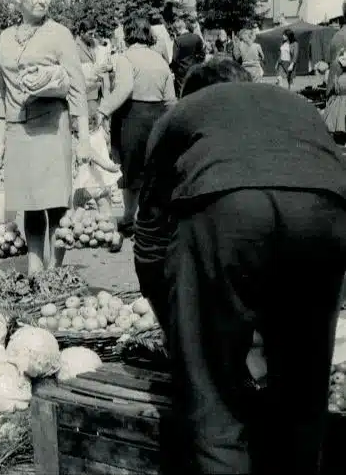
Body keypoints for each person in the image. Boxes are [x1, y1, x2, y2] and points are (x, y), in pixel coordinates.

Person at [134, 59, 346, 475]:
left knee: (215, 403)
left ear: (190, 94)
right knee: (303, 399)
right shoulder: (296, 104)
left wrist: (178, 326)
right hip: (328, 215)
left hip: (228, 208)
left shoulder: (179, 115)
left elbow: (151, 239)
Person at [0, 0, 91, 274]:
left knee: (55, 203)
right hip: (19, 130)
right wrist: (0, 136)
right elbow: (0, 91)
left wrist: (84, 139)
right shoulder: (5, 38)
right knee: (30, 203)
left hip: (52, 128)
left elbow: (77, 88)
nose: (43, 1)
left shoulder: (60, 35)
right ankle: (35, 271)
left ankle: (55, 269)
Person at [96, 18, 175, 235]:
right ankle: (151, 219)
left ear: (128, 33)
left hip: (133, 116)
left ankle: (130, 218)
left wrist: (103, 109)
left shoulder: (125, 58)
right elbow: (170, 99)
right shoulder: (160, 60)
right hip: (158, 116)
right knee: (153, 169)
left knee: (132, 171)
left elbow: (124, 89)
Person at [170, 18, 206, 95]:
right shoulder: (196, 37)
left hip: (181, 72)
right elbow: (202, 54)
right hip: (194, 68)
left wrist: (173, 69)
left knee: (182, 93)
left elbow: (174, 58)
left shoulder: (178, 40)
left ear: (177, 29)